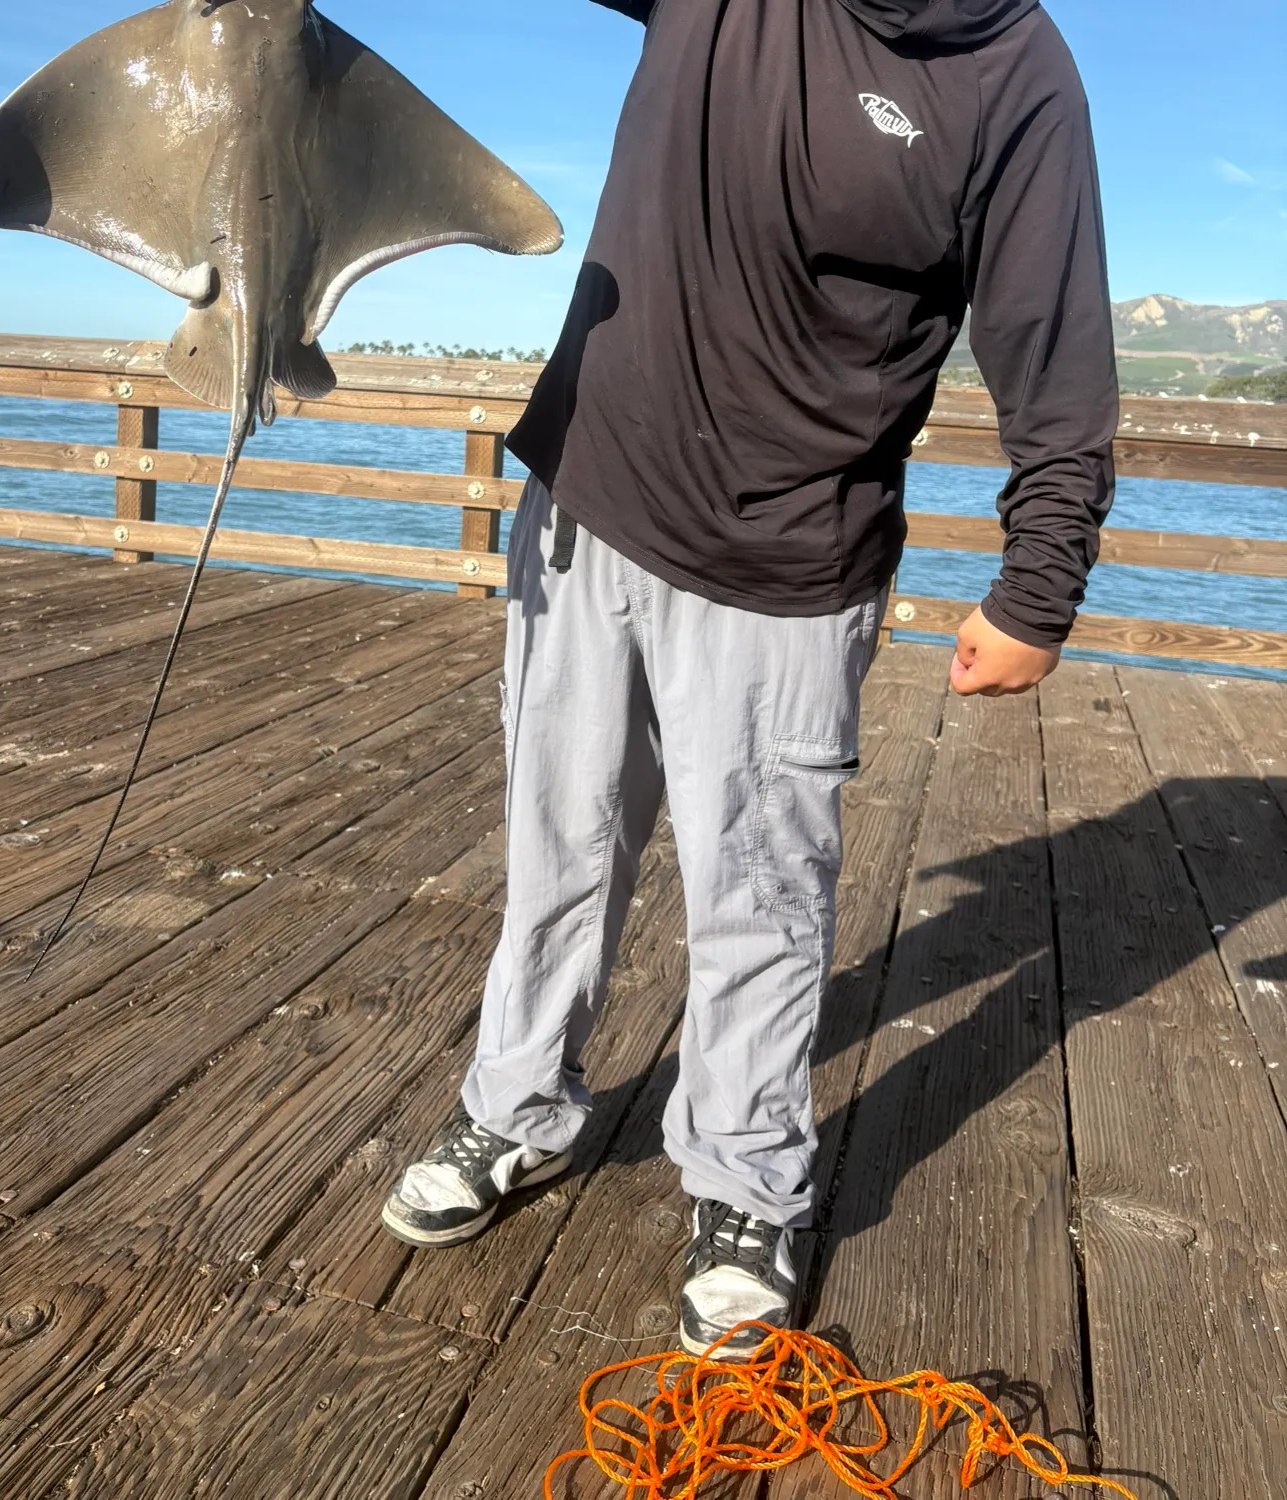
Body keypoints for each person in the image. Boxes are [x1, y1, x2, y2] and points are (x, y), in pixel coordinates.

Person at [381, 0, 1117, 1359]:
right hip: (592, 494)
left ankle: (743, 1188)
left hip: (793, 553)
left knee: (759, 894)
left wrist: (1040, 582)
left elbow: (1055, 349)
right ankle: (518, 1104)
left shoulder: (1020, 73)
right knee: (563, 848)